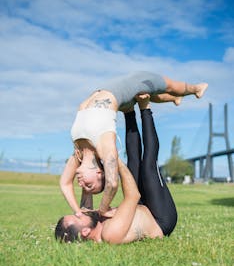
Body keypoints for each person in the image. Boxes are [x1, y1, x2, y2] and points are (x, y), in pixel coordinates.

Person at [61, 71, 208, 216]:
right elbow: (112, 183)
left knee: (148, 92)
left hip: (112, 92)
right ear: (99, 173)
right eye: (89, 185)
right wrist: (103, 210)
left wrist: (78, 212)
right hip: (122, 89)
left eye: (85, 187)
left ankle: (175, 98)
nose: (81, 185)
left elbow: (65, 184)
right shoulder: (104, 148)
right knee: (168, 85)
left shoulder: (78, 154)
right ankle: (196, 89)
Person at [55, 100, 178, 244]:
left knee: (133, 163)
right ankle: (145, 107)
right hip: (160, 219)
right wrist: (113, 158)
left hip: (140, 207)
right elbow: (133, 195)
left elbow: (87, 190)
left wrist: (84, 157)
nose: (78, 213)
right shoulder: (110, 234)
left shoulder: (91, 221)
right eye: (77, 217)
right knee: (148, 167)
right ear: (85, 232)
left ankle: (129, 112)